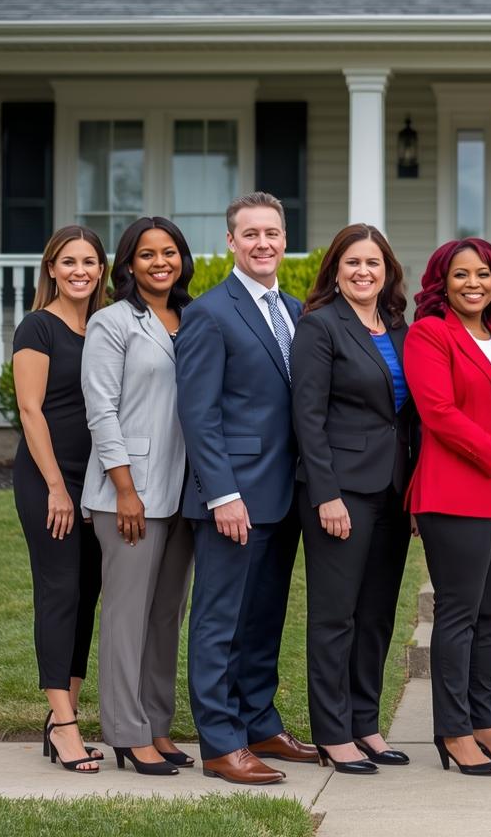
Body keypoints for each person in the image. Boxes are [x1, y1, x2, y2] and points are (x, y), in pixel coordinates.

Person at [176, 192, 314, 785]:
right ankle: (221, 741)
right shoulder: (210, 313)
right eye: (250, 233)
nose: (263, 243)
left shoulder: (296, 308)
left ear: (285, 240)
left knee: (263, 619)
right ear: (230, 242)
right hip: (232, 500)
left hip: (283, 496)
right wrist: (222, 495)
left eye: (273, 233)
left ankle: (259, 722)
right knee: (218, 622)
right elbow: (198, 415)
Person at [405, 238, 491, 777]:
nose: (472, 284)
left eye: (482, 274)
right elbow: (438, 413)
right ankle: (453, 730)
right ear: (442, 283)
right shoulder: (429, 334)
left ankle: (484, 722)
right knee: (459, 615)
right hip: (454, 493)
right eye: (460, 275)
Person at [292, 223, 414, 776]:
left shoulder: (398, 328)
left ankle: (366, 723)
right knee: (335, 616)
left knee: (377, 616)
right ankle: (332, 733)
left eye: (373, 263)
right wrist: (326, 495)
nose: (363, 272)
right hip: (340, 493)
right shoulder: (319, 327)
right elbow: (307, 419)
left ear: (387, 270)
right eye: (352, 264)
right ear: (335, 271)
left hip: (392, 490)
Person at [80, 217, 196, 777]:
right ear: (127, 264)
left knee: (166, 614)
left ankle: (156, 722)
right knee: (127, 616)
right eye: (146, 254)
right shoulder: (112, 322)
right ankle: (127, 733)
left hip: (183, 492)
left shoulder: (191, 317)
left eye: (168, 252)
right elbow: (101, 410)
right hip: (129, 493)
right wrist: (125, 490)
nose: (159, 262)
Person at [12, 225, 108, 773]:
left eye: (89, 262)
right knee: (60, 592)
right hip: (49, 480)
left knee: (88, 592)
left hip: (96, 481)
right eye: (68, 261)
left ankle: (61, 715)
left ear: (100, 270)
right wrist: (55, 486)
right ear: (51, 268)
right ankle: (65, 725)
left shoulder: (102, 325)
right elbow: (31, 411)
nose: (79, 271)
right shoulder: (38, 327)